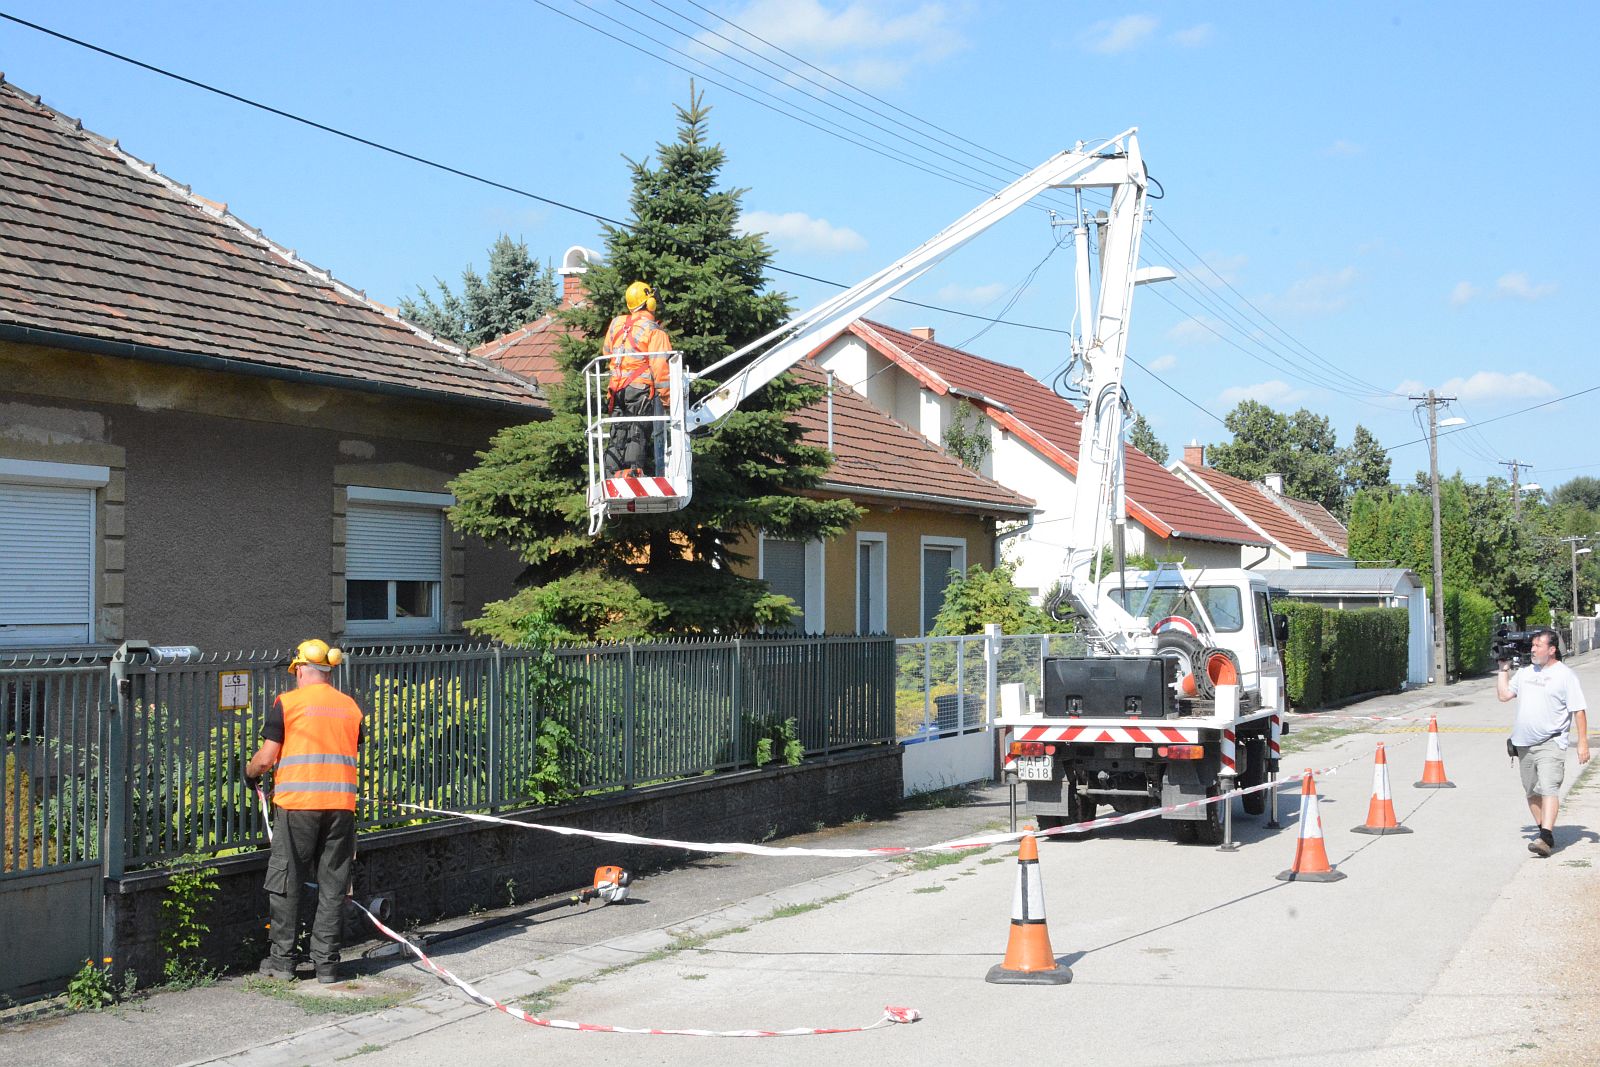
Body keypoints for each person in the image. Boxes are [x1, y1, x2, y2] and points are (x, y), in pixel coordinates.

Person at [246, 638, 363, 982]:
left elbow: (267, 758)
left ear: (301, 670)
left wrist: (249, 773)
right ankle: (327, 964)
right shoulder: (350, 707)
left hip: (297, 805)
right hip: (341, 807)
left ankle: (282, 961)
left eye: (295, 671)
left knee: (286, 880)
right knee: (333, 885)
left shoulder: (288, 703)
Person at [1496, 628, 1590, 857]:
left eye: (1538, 646)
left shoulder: (1565, 675)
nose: (1533, 649)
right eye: (1532, 645)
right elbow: (1504, 695)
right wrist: (1503, 669)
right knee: (1531, 791)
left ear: (1552, 649)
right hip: (1523, 744)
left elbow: (1578, 710)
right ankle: (1544, 834)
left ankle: (1546, 835)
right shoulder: (1526, 673)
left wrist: (1582, 743)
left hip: (1551, 742)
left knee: (1549, 788)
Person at [603, 280, 674, 478]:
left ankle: (611, 474)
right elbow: (660, 368)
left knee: (618, 431)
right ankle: (631, 473)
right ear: (649, 303)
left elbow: (607, 352)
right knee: (637, 430)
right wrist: (668, 399)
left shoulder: (616, 324)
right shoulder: (654, 331)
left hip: (616, 388)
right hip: (639, 388)